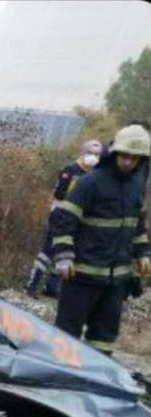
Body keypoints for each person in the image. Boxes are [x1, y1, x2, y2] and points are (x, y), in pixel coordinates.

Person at [50, 124, 151, 355]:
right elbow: (63, 220)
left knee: (104, 339)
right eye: (124, 156)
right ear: (114, 153)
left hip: (116, 281)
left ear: (142, 160)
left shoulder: (137, 187)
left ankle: (92, 385)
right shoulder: (90, 183)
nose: (128, 162)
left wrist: (143, 253)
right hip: (82, 275)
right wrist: (64, 256)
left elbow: (136, 225)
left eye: (134, 158)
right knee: (66, 336)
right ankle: (59, 383)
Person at [24, 139, 103, 297]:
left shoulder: (96, 174)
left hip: (78, 218)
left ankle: (52, 287)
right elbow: (59, 193)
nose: (93, 157)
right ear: (82, 153)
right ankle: (32, 285)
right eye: (90, 153)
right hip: (60, 214)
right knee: (48, 251)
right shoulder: (70, 170)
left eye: (96, 154)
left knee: (65, 252)